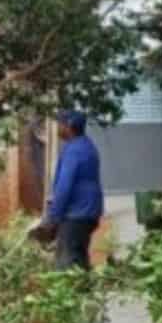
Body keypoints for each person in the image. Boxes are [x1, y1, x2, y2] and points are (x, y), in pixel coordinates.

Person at [32, 109, 103, 271]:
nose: (56, 127)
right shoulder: (86, 145)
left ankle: (74, 294)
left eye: (59, 124)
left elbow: (65, 186)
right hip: (87, 212)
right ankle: (85, 293)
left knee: (66, 264)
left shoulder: (74, 151)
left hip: (77, 214)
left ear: (69, 126)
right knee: (79, 258)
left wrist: (52, 218)